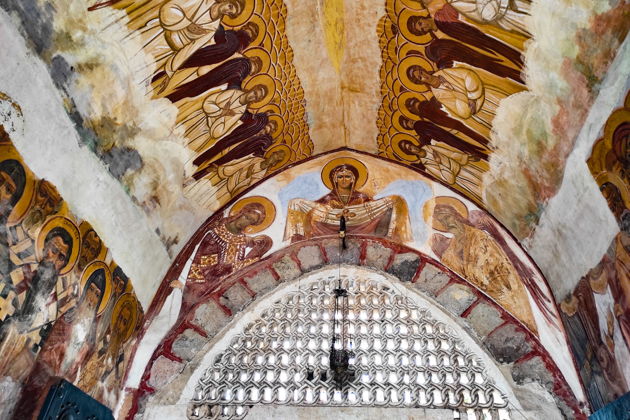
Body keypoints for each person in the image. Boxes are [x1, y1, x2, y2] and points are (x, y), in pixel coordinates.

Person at [430, 203, 537, 332]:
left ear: (456, 215)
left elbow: (498, 264)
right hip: (483, 303)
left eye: (447, 217)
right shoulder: (449, 253)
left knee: (522, 325)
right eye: (442, 221)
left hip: (504, 291)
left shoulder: (479, 236)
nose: (447, 223)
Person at [284, 161, 412, 243]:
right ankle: (298, 240)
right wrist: (328, 208)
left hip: (361, 223)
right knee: (296, 202)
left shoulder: (362, 197)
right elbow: (316, 210)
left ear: (353, 179)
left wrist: (356, 206)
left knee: (395, 200)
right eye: (340, 177)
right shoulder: (328, 198)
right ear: (335, 179)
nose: (344, 180)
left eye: (347, 176)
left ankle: (391, 238)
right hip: (331, 224)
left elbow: (373, 207)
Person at [187, 202, 273, 284]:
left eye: (251, 222)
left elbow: (234, 267)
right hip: (201, 278)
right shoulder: (216, 231)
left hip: (221, 281)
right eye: (246, 217)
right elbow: (205, 265)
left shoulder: (242, 241)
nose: (246, 223)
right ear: (241, 213)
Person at [158, 0, 245, 78]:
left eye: (230, 14)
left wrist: (171, 68)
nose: (227, 12)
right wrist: (186, 23)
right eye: (230, 7)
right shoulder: (202, 2)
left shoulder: (213, 27)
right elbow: (168, 8)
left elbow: (193, 47)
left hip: (172, 51)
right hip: (160, 35)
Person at [407, 65, 508, 130]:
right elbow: (461, 111)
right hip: (480, 112)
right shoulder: (438, 95)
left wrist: (472, 97)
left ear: (423, 69)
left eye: (421, 72)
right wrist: (452, 90)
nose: (424, 76)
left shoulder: (444, 72)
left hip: (485, 96)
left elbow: (468, 75)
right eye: (420, 77)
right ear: (420, 82)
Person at [183, 85, 268, 153]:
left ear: (256, 101)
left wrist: (222, 115)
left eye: (256, 97)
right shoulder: (233, 93)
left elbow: (218, 133)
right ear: (252, 89)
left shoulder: (240, 112)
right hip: (199, 120)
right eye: (254, 93)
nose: (252, 96)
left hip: (205, 134)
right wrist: (221, 112)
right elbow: (207, 102)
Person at [399, 139, 483, 201]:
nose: (414, 148)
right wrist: (440, 163)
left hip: (465, 168)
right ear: (410, 152)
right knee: (481, 190)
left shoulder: (429, 148)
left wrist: (468, 158)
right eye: (410, 149)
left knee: (485, 177)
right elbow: (448, 180)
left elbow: (450, 154)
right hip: (461, 179)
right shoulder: (426, 164)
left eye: (411, 145)